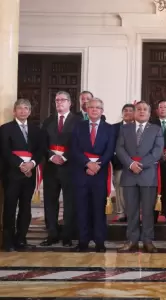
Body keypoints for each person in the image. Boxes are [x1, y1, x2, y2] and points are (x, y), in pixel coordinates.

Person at [116, 101, 163, 253]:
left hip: (147, 175)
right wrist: (131, 164)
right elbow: (119, 148)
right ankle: (132, 240)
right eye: (139, 109)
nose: (142, 111)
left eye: (145, 109)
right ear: (134, 112)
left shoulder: (156, 129)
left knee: (148, 211)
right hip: (129, 175)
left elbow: (157, 151)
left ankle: (148, 241)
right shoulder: (124, 128)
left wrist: (140, 165)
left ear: (150, 113)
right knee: (131, 211)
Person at [71, 98, 115, 252]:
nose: (94, 110)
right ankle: (83, 241)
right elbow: (74, 149)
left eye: (98, 107)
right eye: (91, 107)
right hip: (81, 173)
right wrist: (87, 164)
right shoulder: (78, 127)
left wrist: (98, 165)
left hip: (100, 174)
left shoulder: (109, 129)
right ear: (87, 110)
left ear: (102, 111)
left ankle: (99, 241)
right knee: (82, 208)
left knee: (98, 208)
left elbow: (110, 150)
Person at [40, 91, 83, 247]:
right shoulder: (48, 121)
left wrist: (65, 157)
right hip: (51, 168)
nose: (59, 103)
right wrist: (52, 156)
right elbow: (42, 143)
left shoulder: (78, 121)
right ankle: (52, 233)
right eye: (57, 100)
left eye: (62, 100)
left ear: (70, 103)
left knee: (70, 202)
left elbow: (79, 144)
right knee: (50, 202)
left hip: (70, 167)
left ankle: (67, 235)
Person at [1, 99, 43, 251]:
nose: (23, 111)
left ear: (30, 112)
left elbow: (40, 150)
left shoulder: (36, 130)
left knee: (26, 207)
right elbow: (5, 151)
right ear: (14, 111)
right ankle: (8, 241)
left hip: (29, 174)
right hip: (12, 174)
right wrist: (20, 164)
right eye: (20, 108)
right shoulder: (5, 129)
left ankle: (21, 238)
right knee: (10, 207)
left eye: (26, 108)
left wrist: (31, 164)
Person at [112, 104, 135, 222]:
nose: (128, 112)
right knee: (119, 187)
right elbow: (111, 146)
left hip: (134, 163)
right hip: (119, 164)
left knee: (133, 189)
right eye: (125, 110)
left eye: (131, 110)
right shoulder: (114, 128)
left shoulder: (138, 127)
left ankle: (132, 212)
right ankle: (121, 212)